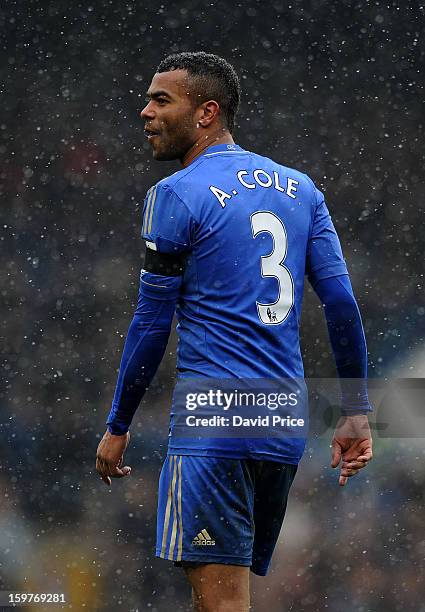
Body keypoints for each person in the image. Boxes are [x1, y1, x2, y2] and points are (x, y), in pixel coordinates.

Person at [96, 51, 373, 612]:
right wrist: (356, 407)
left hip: (214, 417)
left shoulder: (176, 194)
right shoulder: (302, 190)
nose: (145, 111)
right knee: (216, 596)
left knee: (223, 603)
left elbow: (152, 322)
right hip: (280, 419)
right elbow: (342, 304)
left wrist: (118, 423)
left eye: (160, 99)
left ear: (206, 112)